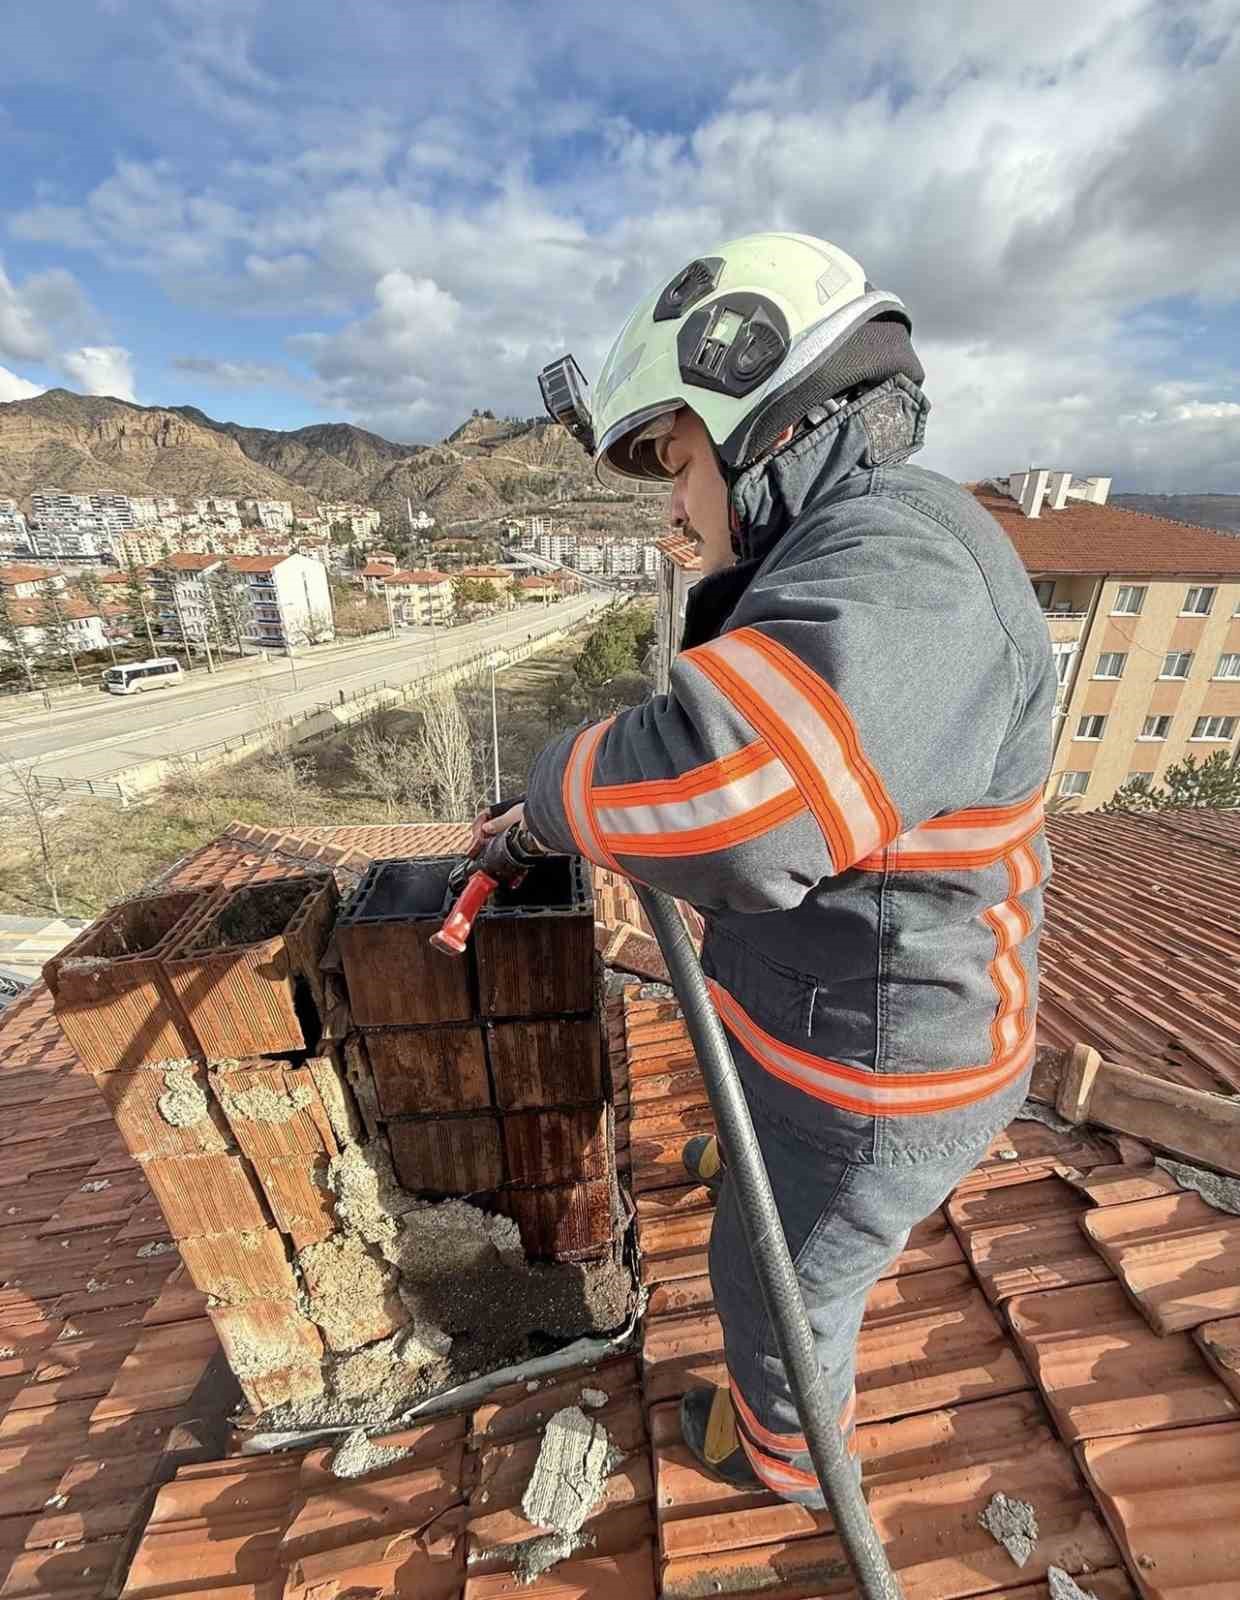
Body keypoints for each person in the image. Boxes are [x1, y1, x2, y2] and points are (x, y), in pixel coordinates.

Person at [480, 231, 1055, 1504]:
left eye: (679, 463)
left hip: (877, 1082)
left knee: (774, 1281)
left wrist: (553, 792)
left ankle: (782, 1457)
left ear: (761, 416)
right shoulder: (840, 547)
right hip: (827, 1024)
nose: (675, 509)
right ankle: (760, 1162)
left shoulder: (909, 567)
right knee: (765, 1184)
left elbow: (733, 807)